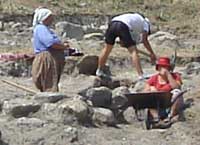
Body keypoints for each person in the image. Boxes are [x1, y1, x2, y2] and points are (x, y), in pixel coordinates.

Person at [96, 12, 156, 79]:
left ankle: (99, 71)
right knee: (133, 51)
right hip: (123, 25)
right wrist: (152, 53)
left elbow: (125, 39)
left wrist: (124, 43)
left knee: (107, 49)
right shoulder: (145, 23)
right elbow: (145, 40)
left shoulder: (134, 18)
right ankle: (141, 75)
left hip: (113, 23)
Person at [32, 7, 70, 92]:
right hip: (47, 59)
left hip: (52, 57)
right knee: (49, 83)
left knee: (51, 81)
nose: (52, 19)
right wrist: (63, 47)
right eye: (50, 17)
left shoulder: (46, 29)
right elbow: (50, 43)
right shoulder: (41, 28)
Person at [144, 57, 184, 123]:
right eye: (160, 66)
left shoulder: (175, 76)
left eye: (165, 67)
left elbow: (177, 87)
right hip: (159, 104)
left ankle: (170, 116)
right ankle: (156, 118)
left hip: (171, 102)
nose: (162, 69)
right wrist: (152, 90)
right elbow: (144, 92)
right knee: (149, 96)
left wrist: (168, 75)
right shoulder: (154, 78)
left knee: (177, 92)